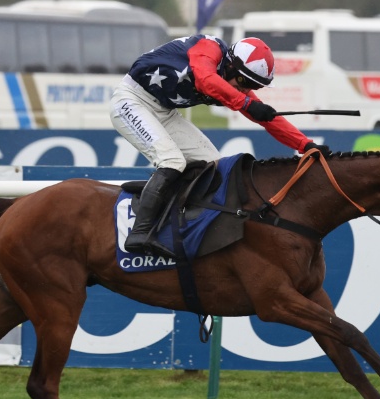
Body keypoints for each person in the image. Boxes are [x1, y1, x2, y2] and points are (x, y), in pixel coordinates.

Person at [111, 34, 328, 254]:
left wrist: (306, 145)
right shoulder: (208, 49)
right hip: (131, 101)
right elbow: (205, 79)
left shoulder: (233, 78)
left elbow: (267, 120)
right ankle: (139, 233)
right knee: (172, 161)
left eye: (253, 86)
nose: (244, 90)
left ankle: (165, 200)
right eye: (245, 82)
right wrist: (246, 104)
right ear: (230, 65)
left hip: (164, 112)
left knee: (214, 167)